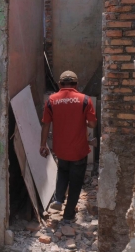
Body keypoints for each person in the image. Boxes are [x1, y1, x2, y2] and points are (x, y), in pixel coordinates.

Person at [39, 70, 97, 221]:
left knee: (63, 172)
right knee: (76, 181)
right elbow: (92, 124)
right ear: (76, 85)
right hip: (79, 150)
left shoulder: (51, 100)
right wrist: (82, 121)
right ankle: (69, 214)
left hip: (61, 149)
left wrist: (43, 144)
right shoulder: (85, 100)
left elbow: (45, 124)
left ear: (59, 84)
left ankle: (58, 199)